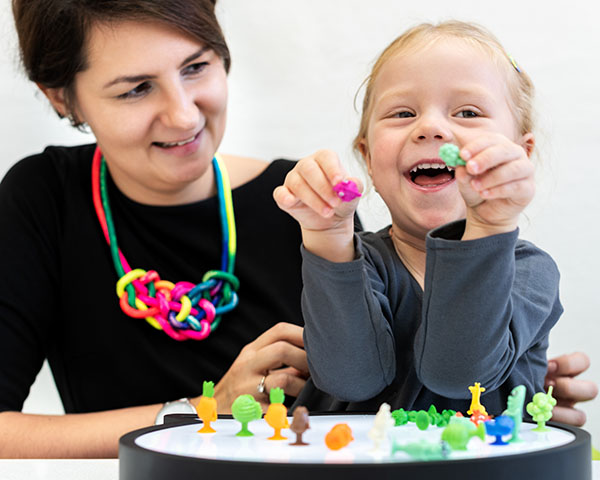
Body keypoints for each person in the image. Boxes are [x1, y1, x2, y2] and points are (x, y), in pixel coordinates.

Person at [0, 3, 594, 458]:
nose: (183, 114)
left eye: (196, 67)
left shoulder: (306, 203)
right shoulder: (43, 200)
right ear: (62, 97)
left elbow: (398, 381)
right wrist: (193, 413)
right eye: (134, 88)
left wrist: (515, 387)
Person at [274, 20, 583, 416]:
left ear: (520, 155)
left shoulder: (530, 272)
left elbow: (461, 375)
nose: (431, 128)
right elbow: (348, 378)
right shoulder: (353, 260)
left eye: (468, 112)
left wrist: (488, 226)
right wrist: (328, 235)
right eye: (403, 113)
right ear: (367, 159)